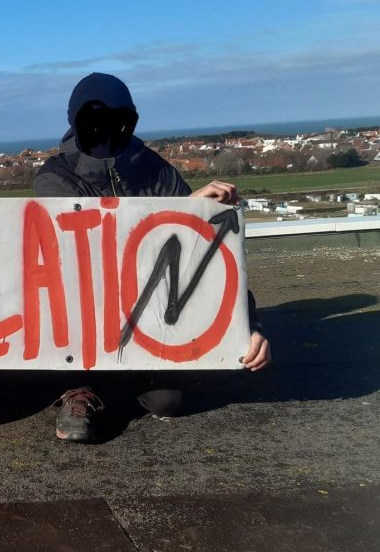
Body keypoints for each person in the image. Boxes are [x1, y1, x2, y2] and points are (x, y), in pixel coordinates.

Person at [33, 72, 271, 442]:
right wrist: (183, 210)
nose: (108, 128)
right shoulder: (54, 178)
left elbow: (205, 256)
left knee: (166, 402)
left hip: (152, 306)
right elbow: (91, 248)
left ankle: (119, 378)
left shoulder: (158, 170)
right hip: (87, 308)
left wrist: (249, 325)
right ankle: (80, 385)